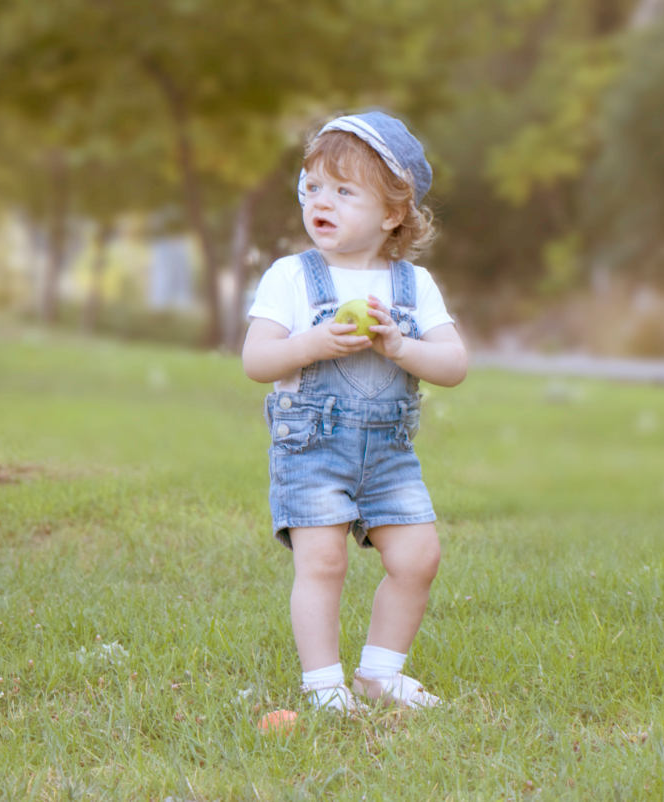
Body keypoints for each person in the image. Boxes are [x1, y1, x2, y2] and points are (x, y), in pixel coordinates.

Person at [242, 112, 468, 712]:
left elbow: (453, 365)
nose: (322, 201)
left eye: (344, 191)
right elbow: (257, 359)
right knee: (323, 561)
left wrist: (400, 345)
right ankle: (323, 686)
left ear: (392, 213)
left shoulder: (413, 286)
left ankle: (380, 674)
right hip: (312, 447)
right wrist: (312, 343)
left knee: (419, 557)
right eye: (312, 186)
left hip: (389, 457)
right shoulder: (290, 276)